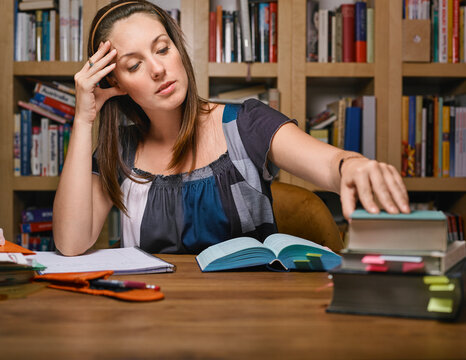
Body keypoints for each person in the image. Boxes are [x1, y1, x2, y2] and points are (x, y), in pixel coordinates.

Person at [53, 0, 410, 256]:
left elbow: (328, 164)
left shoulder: (246, 122)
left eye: (162, 49)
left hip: (252, 317)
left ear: (178, 50)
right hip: (151, 320)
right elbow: (71, 243)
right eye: (134, 65)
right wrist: (84, 119)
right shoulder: (121, 151)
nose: (158, 69)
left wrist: (352, 166)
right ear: (115, 83)